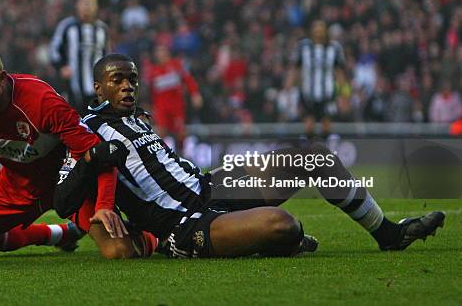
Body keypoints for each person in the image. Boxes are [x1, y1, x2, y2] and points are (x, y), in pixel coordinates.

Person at [57, 54, 445, 259]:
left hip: (211, 186)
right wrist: (93, 160)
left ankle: (388, 234)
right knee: (283, 226)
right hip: (182, 225)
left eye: (133, 79)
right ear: (98, 86)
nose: (128, 86)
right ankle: (272, 240)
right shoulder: (86, 131)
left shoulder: (137, 118)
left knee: (312, 156)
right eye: (117, 80)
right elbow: (62, 200)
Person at [0, 46, 128, 258]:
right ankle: (63, 233)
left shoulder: (41, 101)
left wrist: (104, 205)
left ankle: (157, 237)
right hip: (18, 182)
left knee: (119, 251)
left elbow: (99, 155)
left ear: (1, 78)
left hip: (67, 180)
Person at [49, 0, 108, 113]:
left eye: (90, 3)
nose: (87, 6)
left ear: (96, 6)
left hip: (96, 86)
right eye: (84, 3)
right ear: (77, 5)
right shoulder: (67, 26)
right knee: (75, 120)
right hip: (73, 85)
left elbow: (107, 54)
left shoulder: (102, 29)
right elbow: (54, 50)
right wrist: (61, 66)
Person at [293, 20, 346, 139]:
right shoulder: (303, 46)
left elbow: (340, 73)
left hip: (327, 93)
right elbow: (295, 70)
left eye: (321, 27)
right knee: (308, 127)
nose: (318, 30)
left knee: (327, 126)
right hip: (308, 94)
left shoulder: (335, 48)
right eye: (316, 27)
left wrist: (344, 95)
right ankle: (309, 154)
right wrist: (290, 89)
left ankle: (324, 153)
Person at [146, 44, 202, 149]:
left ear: (167, 53)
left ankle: (184, 154)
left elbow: (188, 79)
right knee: (161, 132)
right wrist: (152, 107)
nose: (160, 54)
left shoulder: (176, 65)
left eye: (162, 51)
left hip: (176, 106)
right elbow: (152, 93)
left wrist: (195, 93)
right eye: (158, 52)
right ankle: (163, 156)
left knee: (180, 132)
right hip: (161, 107)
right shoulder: (153, 71)